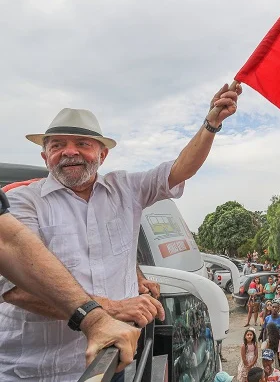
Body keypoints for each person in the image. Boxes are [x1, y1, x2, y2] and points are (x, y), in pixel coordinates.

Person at [1, 85, 240, 380]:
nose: (69, 151)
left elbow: (179, 169)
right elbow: (17, 289)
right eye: (57, 144)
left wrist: (210, 124)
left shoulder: (125, 189)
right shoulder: (22, 202)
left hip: (114, 360)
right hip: (38, 371)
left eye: (82, 143)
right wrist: (112, 309)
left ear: (102, 154)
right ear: (44, 156)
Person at [0, 203, 140, 372]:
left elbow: (8, 242)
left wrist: (137, 273)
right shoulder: (24, 199)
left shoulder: (118, 193)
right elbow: (16, 287)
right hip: (34, 369)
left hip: (104, 362)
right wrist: (102, 315)